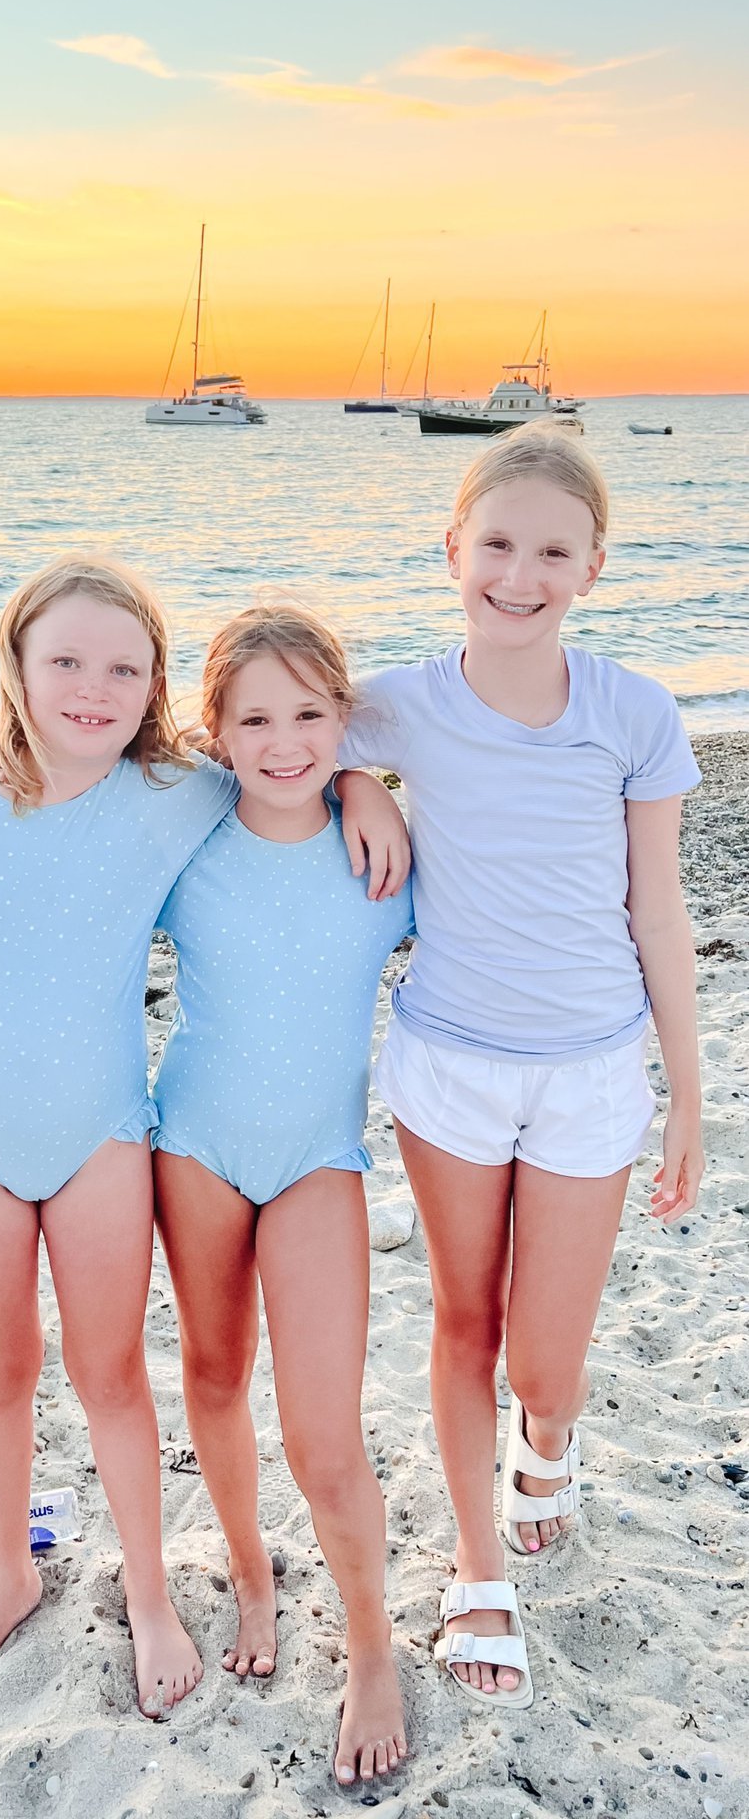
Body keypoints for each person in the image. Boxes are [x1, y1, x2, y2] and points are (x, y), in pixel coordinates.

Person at [0, 557, 408, 1713]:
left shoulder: (177, 794)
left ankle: (149, 1590)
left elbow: (286, 754)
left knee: (112, 1374)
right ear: (14, 665)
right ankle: (6, 1575)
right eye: (64, 660)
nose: (91, 688)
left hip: (108, 1138)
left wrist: (365, 783)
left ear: (157, 683)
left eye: (122, 665)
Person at [337, 422, 703, 1709]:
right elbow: (253, 732)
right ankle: (478, 1559)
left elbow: (659, 911)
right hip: (448, 1062)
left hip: (592, 1072)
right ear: (453, 551)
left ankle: (548, 1440)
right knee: (464, 1316)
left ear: (594, 566)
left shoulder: (635, 715)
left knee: (546, 1360)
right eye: (497, 542)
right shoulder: (394, 703)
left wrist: (688, 1099)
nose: (520, 572)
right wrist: (356, 786)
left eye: (553, 549)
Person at [152, 601, 413, 1786]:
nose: (284, 739)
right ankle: (252, 1573)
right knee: (212, 1375)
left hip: (318, 1158)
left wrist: (369, 785)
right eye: (254, 717)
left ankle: (370, 1646)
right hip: (194, 1146)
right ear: (213, 729)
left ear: (344, 719)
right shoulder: (178, 832)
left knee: (324, 1432)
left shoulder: (384, 851)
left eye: (311, 713)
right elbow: (56, 807)